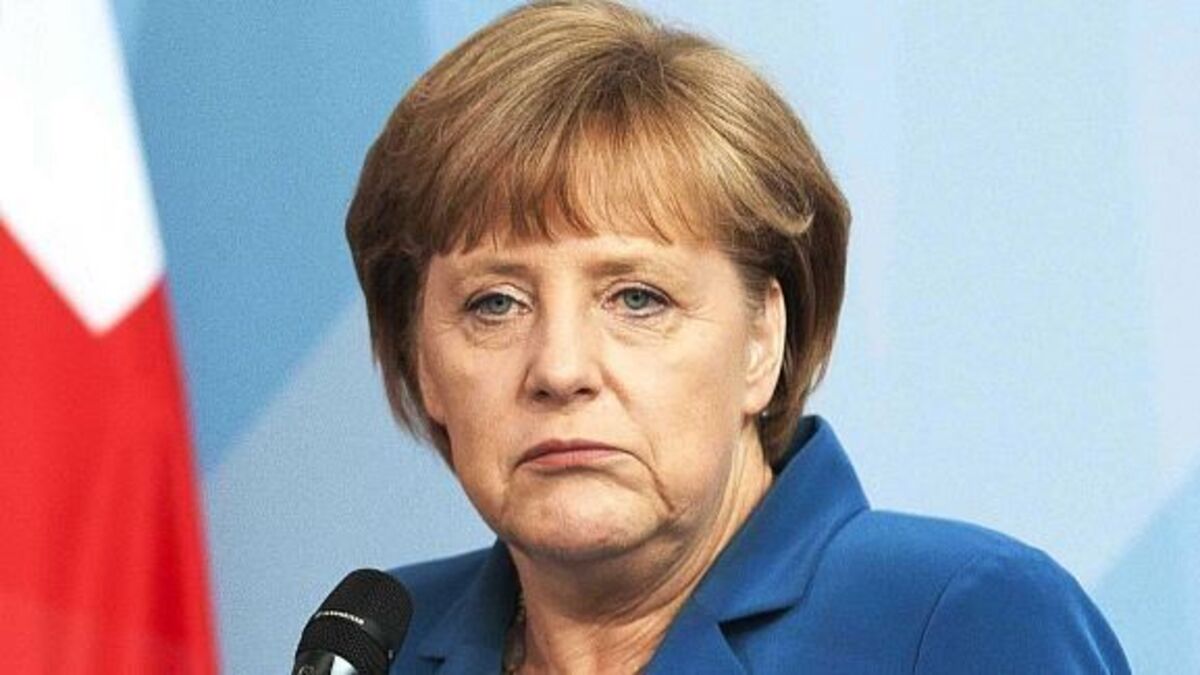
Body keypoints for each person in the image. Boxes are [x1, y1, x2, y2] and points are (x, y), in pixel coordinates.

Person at [344, 1, 1130, 672]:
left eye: (637, 298)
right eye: (495, 304)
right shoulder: (378, 644)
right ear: (421, 360)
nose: (560, 367)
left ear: (762, 338)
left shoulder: (956, 622)